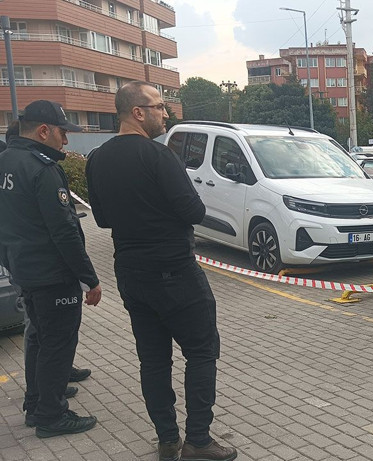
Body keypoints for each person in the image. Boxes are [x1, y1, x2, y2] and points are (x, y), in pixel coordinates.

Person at [85, 81, 236, 461]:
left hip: (131, 274)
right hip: (175, 271)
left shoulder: (97, 159)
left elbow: (101, 219)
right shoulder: (159, 156)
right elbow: (193, 212)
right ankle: (199, 441)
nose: (165, 113)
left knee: (153, 360)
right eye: (159, 106)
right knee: (201, 351)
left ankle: (167, 439)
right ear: (138, 112)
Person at [0, 100, 102, 438]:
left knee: (40, 340)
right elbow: (64, 231)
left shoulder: (6, 161)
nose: (66, 141)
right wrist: (89, 278)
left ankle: (37, 400)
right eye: (62, 132)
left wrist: (11, 261)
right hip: (52, 275)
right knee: (57, 344)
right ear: (44, 130)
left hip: (25, 271)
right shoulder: (42, 168)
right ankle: (51, 414)